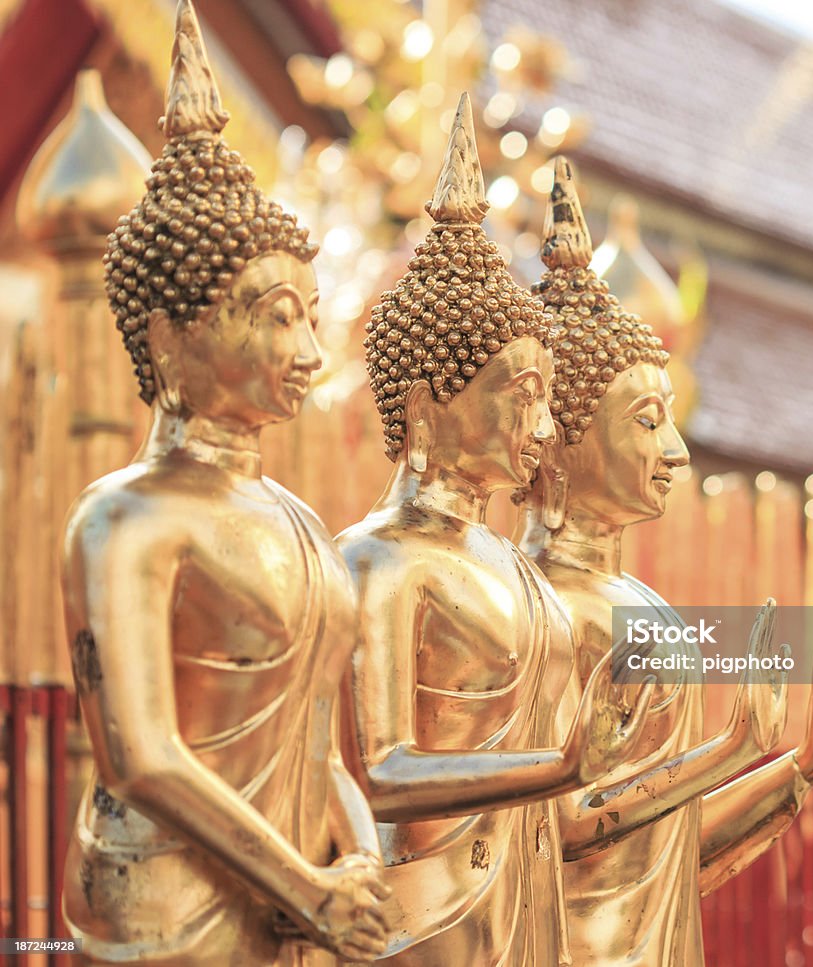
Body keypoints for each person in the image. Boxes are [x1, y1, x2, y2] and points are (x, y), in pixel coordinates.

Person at [61, 3, 388, 963]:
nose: (308, 352)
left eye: (311, 318)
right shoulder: (122, 518)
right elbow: (143, 754)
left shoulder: (300, 524)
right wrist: (306, 884)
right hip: (164, 903)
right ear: (170, 336)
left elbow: (324, 746)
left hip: (297, 895)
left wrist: (357, 865)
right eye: (274, 318)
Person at [335, 94, 652, 966]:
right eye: (522, 398)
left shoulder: (516, 569)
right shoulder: (377, 561)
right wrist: (556, 765)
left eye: (550, 401)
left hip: (529, 904)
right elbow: (379, 771)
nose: (544, 430)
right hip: (424, 914)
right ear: (428, 408)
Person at [515, 157, 813, 966]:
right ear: (559, 434)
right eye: (647, 421)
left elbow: (664, 851)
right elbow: (545, 832)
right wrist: (727, 752)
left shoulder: (640, 605)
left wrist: (798, 765)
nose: (676, 451)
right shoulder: (526, 604)